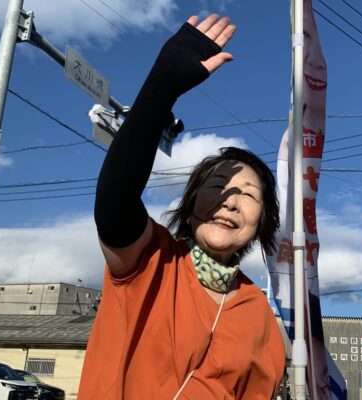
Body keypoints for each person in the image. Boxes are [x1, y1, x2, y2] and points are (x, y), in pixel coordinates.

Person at [78, 14, 286, 400]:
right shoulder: (152, 261)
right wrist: (163, 84)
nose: (231, 200)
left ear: (261, 224)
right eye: (218, 186)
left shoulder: (258, 314)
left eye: (249, 194)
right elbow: (115, 202)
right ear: (190, 206)